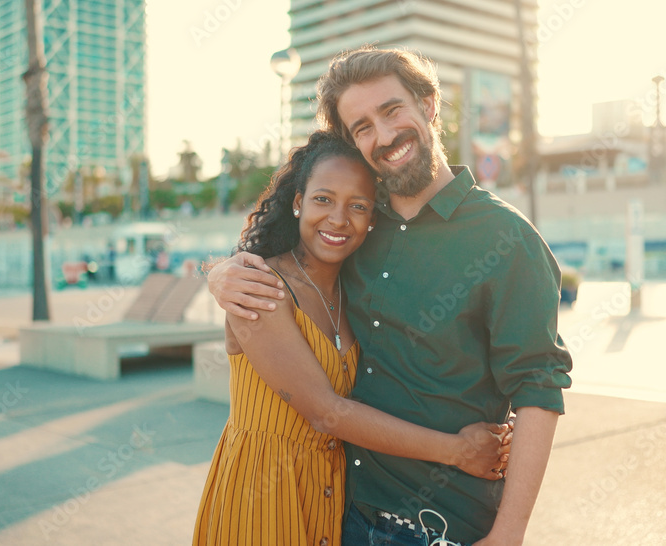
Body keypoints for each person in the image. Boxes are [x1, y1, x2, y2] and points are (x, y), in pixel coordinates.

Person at [209, 46, 573, 546]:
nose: (382, 136)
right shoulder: (356, 224)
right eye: (361, 127)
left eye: (391, 110)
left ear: (428, 104)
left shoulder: (509, 240)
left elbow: (538, 388)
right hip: (344, 516)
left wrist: (509, 533)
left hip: (444, 528)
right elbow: (281, 249)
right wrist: (221, 272)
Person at [194, 131, 512, 546]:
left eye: (357, 206)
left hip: (334, 498)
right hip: (262, 496)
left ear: (373, 218)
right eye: (323, 199)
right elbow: (325, 411)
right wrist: (458, 451)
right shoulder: (259, 285)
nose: (339, 219)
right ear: (297, 202)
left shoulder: (357, 291)